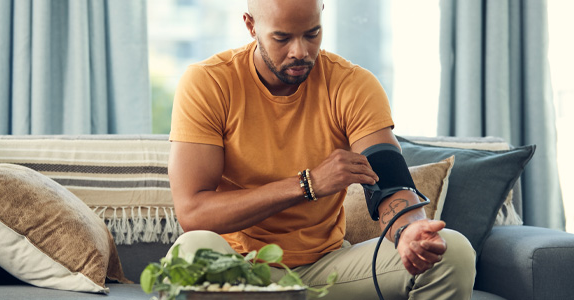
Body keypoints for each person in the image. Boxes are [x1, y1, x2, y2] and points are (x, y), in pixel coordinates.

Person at [166, 0, 476, 299]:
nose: (300, 51)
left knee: (453, 251)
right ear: (251, 26)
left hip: (328, 271)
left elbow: (389, 181)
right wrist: (307, 184)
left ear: (321, 15)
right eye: (282, 38)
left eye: (312, 33)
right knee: (191, 250)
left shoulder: (352, 85)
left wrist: (408, 230)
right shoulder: (209, 83)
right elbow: (193, 213)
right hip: (239, 271)